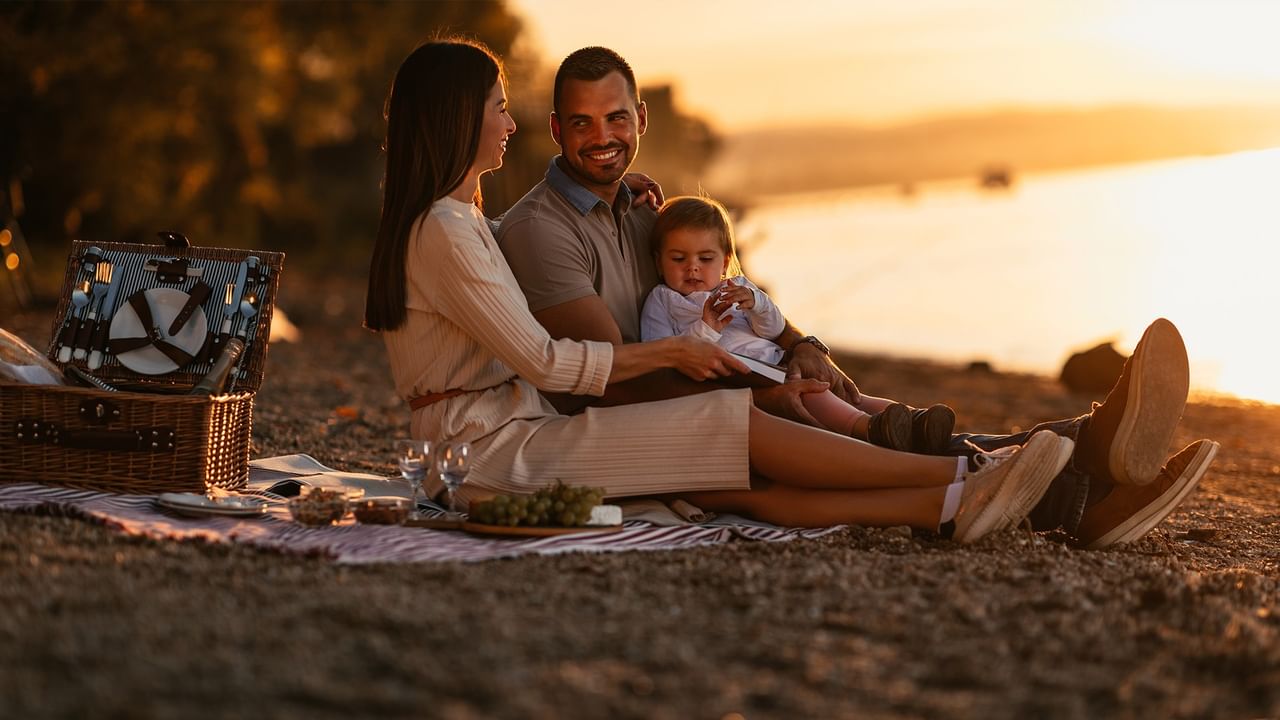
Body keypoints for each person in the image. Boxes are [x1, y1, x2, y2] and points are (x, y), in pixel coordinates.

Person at [497, 46, 1215, 548]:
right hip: (643, 415)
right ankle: (1069, 468)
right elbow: (612, 381)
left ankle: (1084, 465)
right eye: (582, 123)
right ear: (556, 130)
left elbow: (735, 291)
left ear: (640, 120)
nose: (602, 138)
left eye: (615, 118)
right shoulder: (540, 230)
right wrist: (752, 396)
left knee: (851, 401)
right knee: (818, 416)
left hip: (712, 381)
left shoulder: (645, 209)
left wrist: (804, 346)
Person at [363, 38, 1077, 542]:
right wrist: (676, 352)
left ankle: (955, 499)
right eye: (498, 106)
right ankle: (966, 478)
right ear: (460, 118)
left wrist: (626, 201)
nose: (510, 123)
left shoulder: (462, 222)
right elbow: (550, 363)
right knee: (727, 430)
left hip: (507, 434)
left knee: (733, 471)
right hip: (482, 454)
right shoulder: (447, 231)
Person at [640, 194, 955, 453]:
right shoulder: (662, 300)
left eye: (705, 260)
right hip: (740, 376)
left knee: (843, 391)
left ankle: (917, 422)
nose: (692, 269)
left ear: (723, 262)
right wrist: (707, 328)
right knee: (815, 394)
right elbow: (662, 357)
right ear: (658, 261)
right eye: (679, 259)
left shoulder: (735, 287)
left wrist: (757, 303)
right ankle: (870, 431)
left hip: (776, 361)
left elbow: (773, 330)